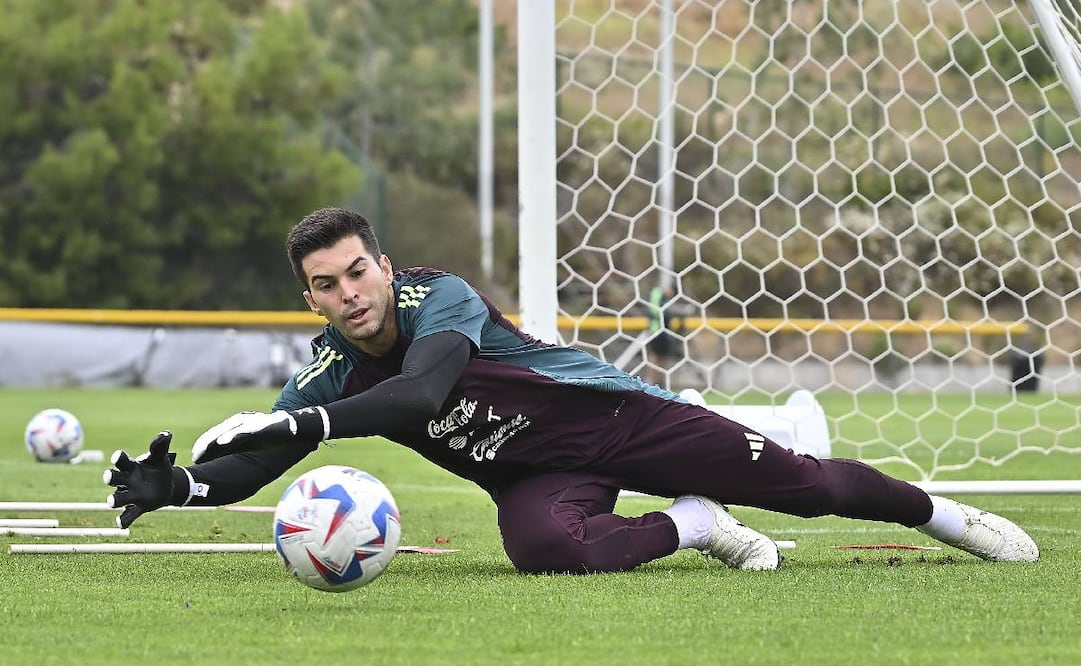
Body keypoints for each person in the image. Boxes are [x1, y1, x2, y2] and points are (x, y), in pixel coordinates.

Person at [104, 207, 1039, 573]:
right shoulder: (327, 364)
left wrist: (307, 416)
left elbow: (421, 397)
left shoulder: (441, 299)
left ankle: (947, 520)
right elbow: (265, 452)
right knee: (550, 554)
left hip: (621, 422)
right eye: (325, 285)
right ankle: (696, 524)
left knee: (817, 487)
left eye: (358, 273)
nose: (348, 295)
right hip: (533, 478)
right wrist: (186, 485)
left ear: (383, 267)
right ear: (305, 295)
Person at [645, 284, 678, 387]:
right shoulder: (657, 293)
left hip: (664, 333)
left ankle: (660, 383)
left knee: (662, 358)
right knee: (655, 357)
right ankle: (651, 382)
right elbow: (654, 311)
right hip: (657, 331)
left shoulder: (666, 299)